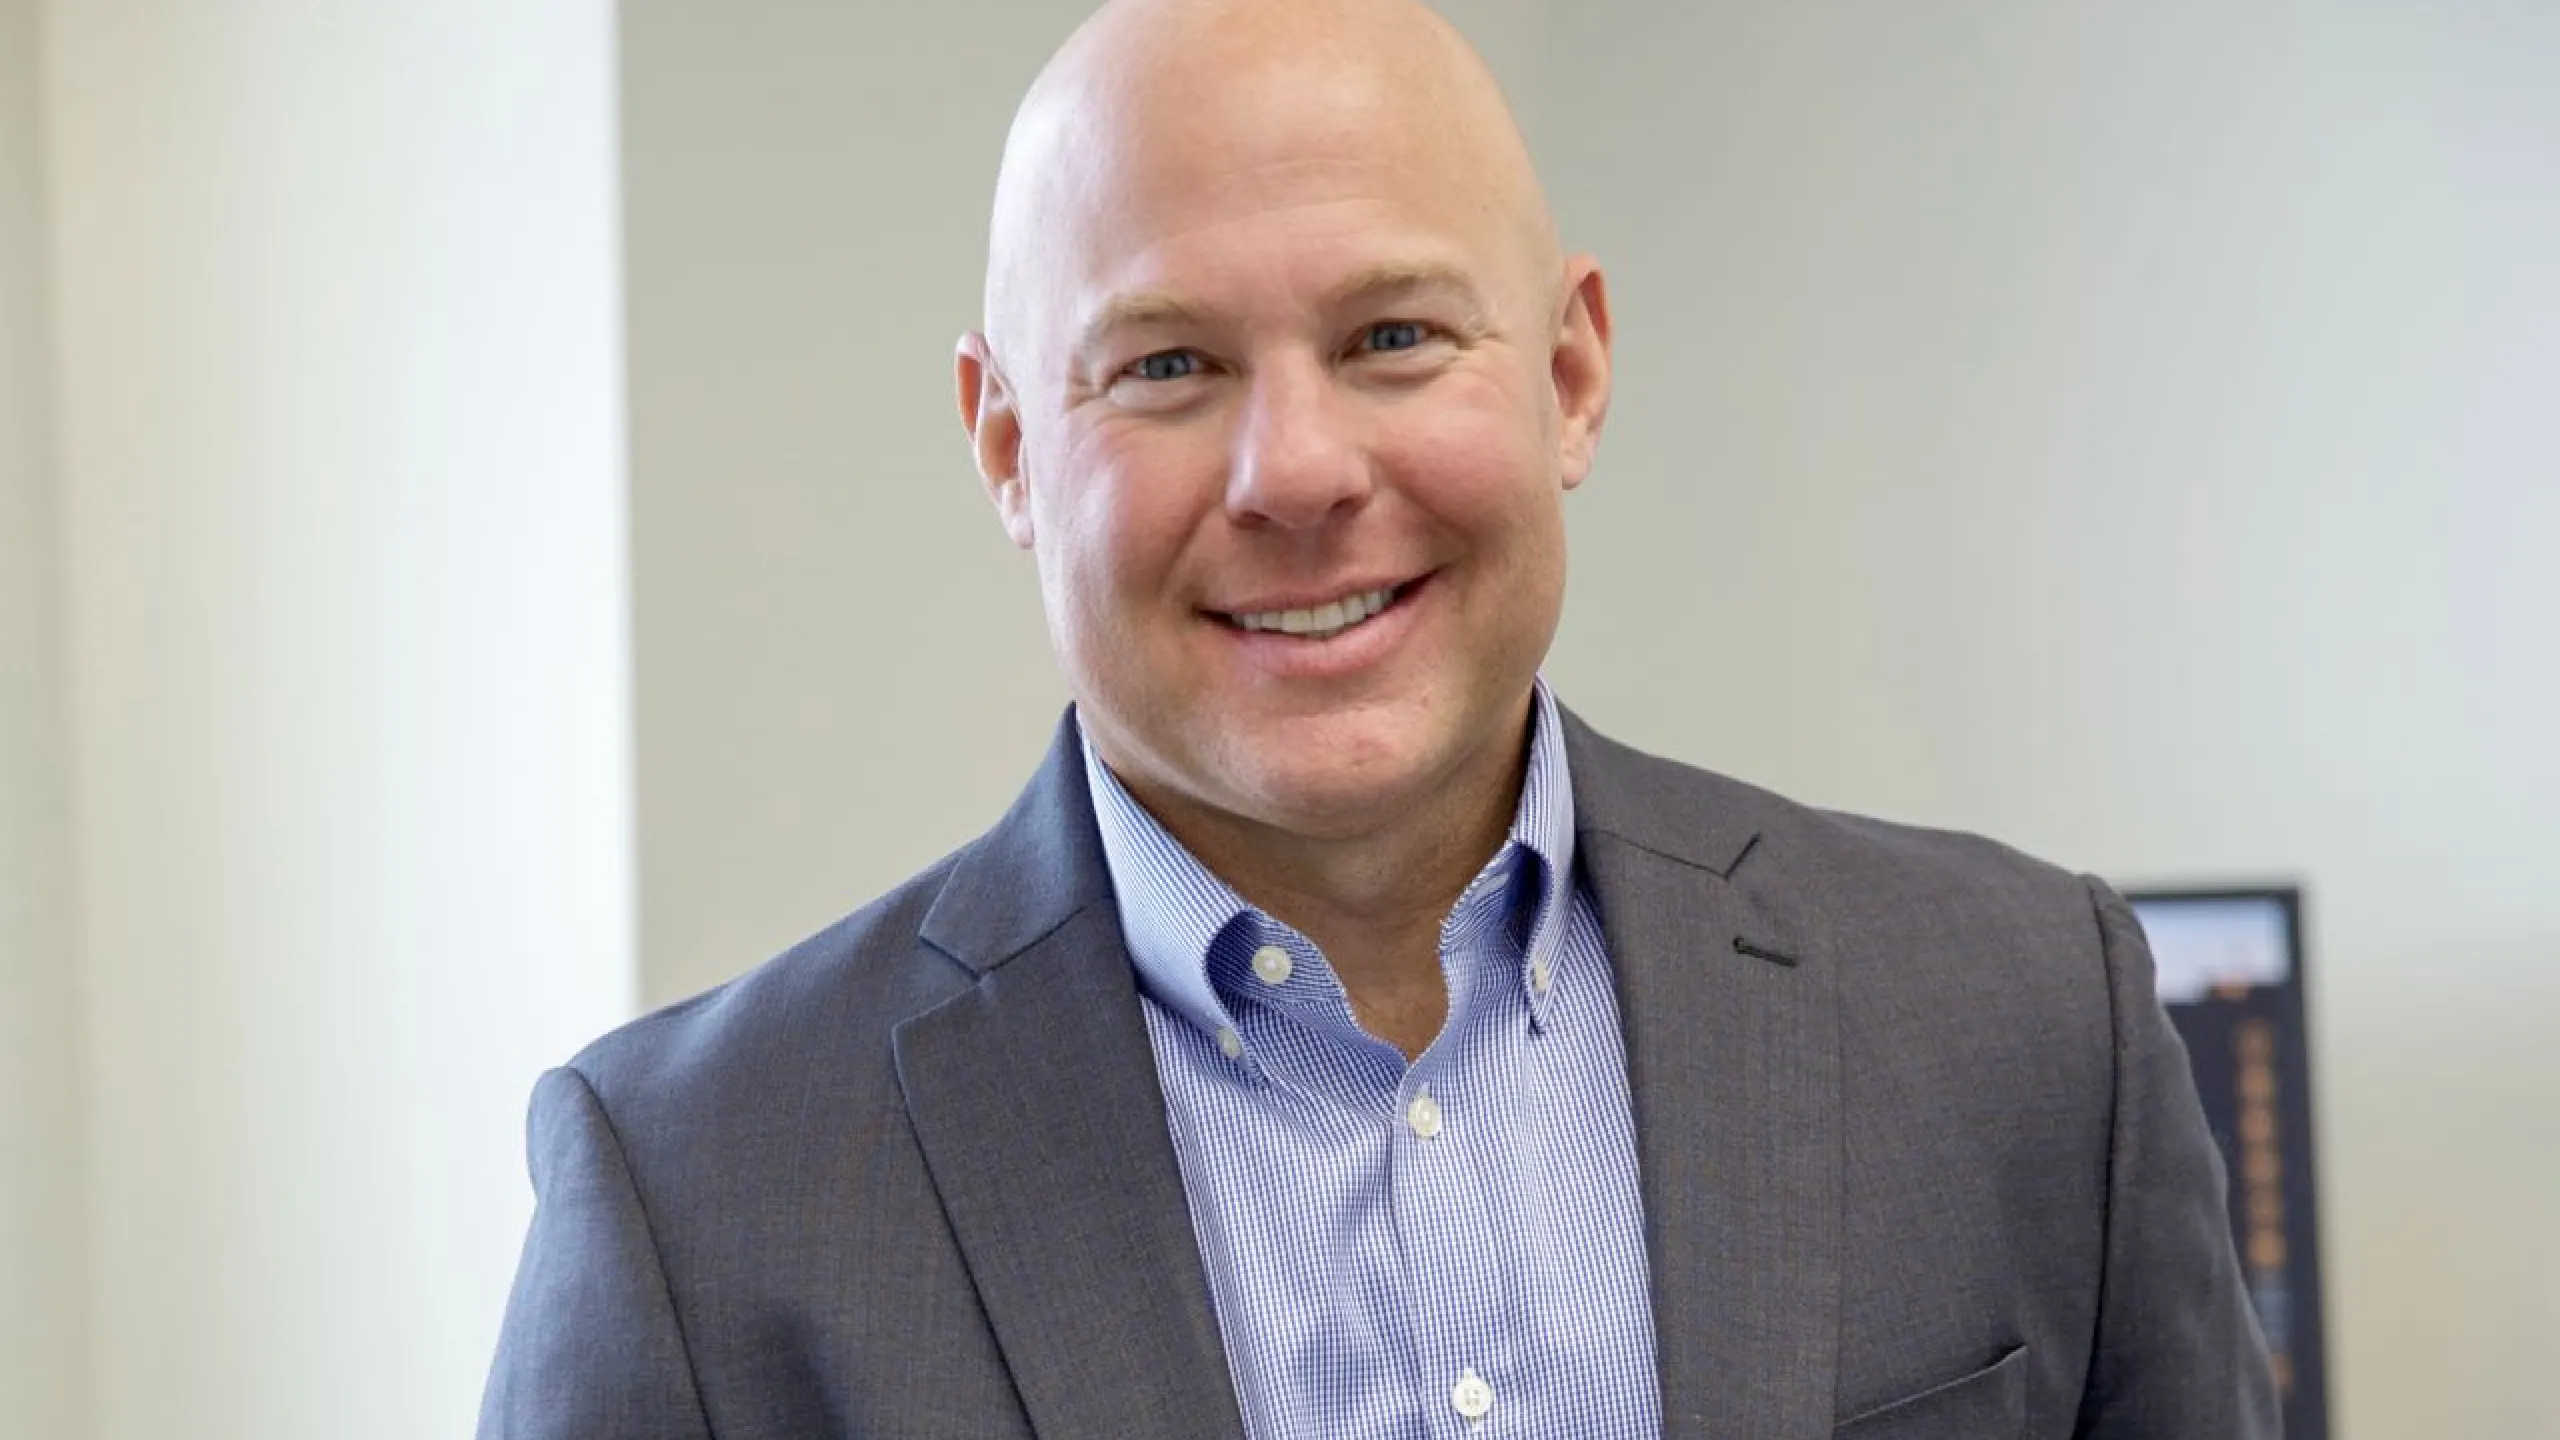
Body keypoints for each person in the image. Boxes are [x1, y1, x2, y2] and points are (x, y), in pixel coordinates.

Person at [479, 0, 2280, 1434]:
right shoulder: (695, 1204)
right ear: (1011, 446)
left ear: (1570, 373)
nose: (1298, 471)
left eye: (1394, 337)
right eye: (1167, 365)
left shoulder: (2036, 1030)